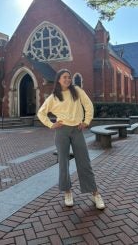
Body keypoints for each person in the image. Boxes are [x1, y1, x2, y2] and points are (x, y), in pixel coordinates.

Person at [37, 69, 105, 209]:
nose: (67, 79)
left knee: (84, 162)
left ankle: (95, 194)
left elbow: (88, 105)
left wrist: (86, 121)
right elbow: (41, 113)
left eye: (69, 77)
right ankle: (68, 192)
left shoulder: (77, 91)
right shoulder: (53, 97)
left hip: (77, 130)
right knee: (63, 163)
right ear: (59, 80)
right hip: (62, 132)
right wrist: (51, 124)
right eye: (64, 77)